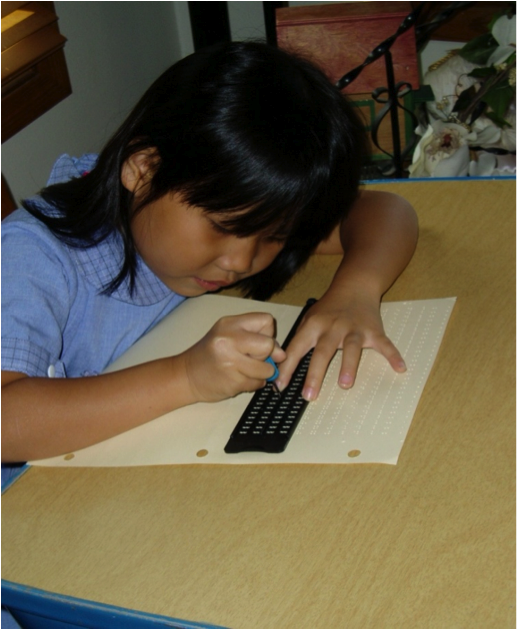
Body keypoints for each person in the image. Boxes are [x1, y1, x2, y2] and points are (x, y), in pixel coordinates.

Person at [2, 42, 418, 466]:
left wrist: (355, 292)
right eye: (222, 227)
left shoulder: (237, 203)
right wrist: (185, 377)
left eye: (275, 235)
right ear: (142, 169)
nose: (240, 262)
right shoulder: (31, 256)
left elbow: (386, 211)